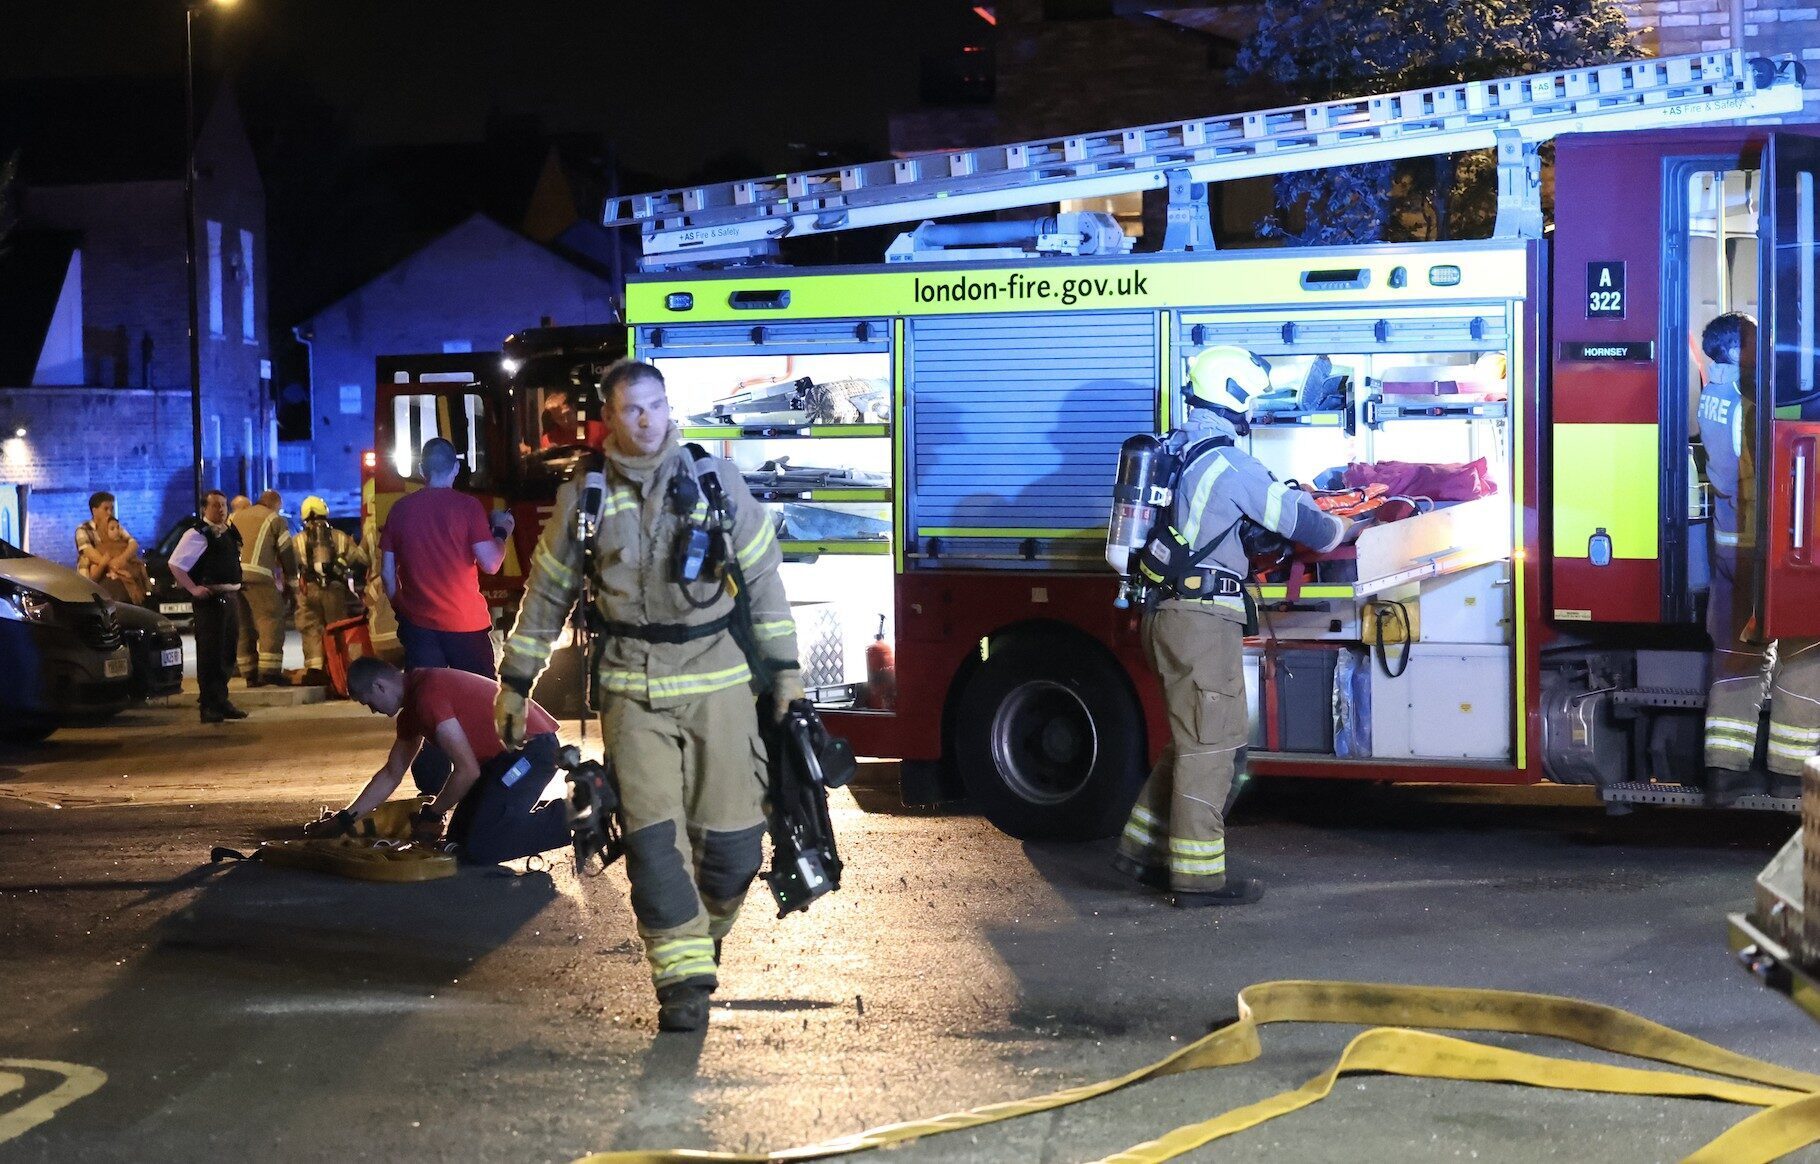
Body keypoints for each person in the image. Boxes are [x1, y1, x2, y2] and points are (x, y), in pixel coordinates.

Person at [495, 359, 802, 1033]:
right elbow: (546, 595)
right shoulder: (586, 496)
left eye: (657, 406)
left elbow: (764, 582)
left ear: (670, 408)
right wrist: (515, 683)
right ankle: (683, 986)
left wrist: (785, 673)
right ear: (610, 418)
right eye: (634, 409)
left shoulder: (714, 482)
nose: (648, 419)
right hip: (632, 690)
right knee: (655, 847)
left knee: (734, 850)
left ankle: (699, 939)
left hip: (719, 681)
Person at [1113, 346, 1345, 907]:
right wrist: (1352, 525)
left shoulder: (1173, 450)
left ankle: (1141, 851)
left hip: (1164, 614)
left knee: (1193, 741)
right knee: (1214, 747)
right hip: (1199, 620)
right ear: (1237, 397)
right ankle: (1197, 880)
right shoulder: (1229, 464)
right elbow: (1309, 528)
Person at [1698, 313, 1815, 803]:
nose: (1762, 346)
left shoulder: (1714, 397)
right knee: (1807, 649)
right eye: (1751, 340)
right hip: (1766, 546)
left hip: (1732, 546)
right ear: (1730, 350)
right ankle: (1790, 774)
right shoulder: (1747, 403)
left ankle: (1724, 772)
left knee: (1737, 655)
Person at [312, 657, 568, 865]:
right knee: (458, 842)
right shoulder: (412, 709)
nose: (373, 710)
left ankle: (575, 815)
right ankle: (508, 812)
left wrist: (433, 813)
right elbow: (392, 773)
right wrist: (345, 819)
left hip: (532, 752)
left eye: (369, 702)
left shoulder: (428, 695)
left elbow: (467, 771)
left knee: (483, 847)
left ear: (380, 686)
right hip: (501, 762)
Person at [379, 437, 512, 677]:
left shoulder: (399, 509)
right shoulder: (468, 507)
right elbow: (491, 563)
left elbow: (387, 574)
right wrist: (502, 532)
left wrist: (401, 609)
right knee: (477, 701)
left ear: (421, 470)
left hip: (419, 629)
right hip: (466, 626)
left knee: (428, 702)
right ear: (457, 468)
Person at [166, 490, 249, 725]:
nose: (221, 509)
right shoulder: (197, 534)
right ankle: (209, 705)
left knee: (227, 654)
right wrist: (193, 589)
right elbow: (176, 564)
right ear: (205, 509)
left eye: (223, 505)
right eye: (216, 505)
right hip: (211, 601)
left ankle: (221, 700)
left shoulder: (228, 531)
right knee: (210, 655)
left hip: (230, 598)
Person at [291, 496, 369, 685]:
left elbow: (289, 564)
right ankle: (341, 672)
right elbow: (360, 559)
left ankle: (316, 672)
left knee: (311, 630)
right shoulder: (340, 537)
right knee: (338, 630)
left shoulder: (298, 540)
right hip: (335, 589)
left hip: (308, 591)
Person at [231, 489, 297, 686]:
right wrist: (291, 582)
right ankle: (270, 672)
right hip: (258, 576)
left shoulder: (234, 517)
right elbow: (286, 552)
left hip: (233, 578)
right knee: (271, 619)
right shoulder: (274, 519)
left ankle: (249, 673)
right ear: (275, 504)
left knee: (243, 624)